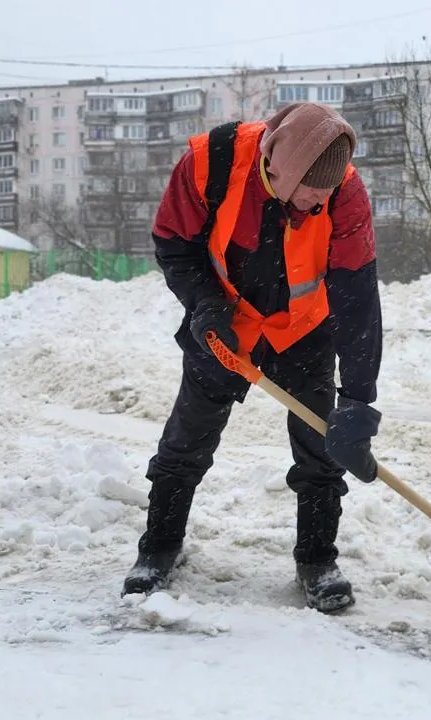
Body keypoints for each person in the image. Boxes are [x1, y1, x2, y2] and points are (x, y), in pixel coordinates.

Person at [121, 102, 384, 613]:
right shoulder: (210, 162)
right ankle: (157, 549)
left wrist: (357, 399)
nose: (319, 200)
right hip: (225, 327)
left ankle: (317, 560)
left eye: (328, 190)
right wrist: (205, 305)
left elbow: (358, 295)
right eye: (311, 189)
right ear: (280, 168)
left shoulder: (345, 193)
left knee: (320, 447)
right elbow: (173, 242)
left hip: (304, 327)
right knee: (186, 441)